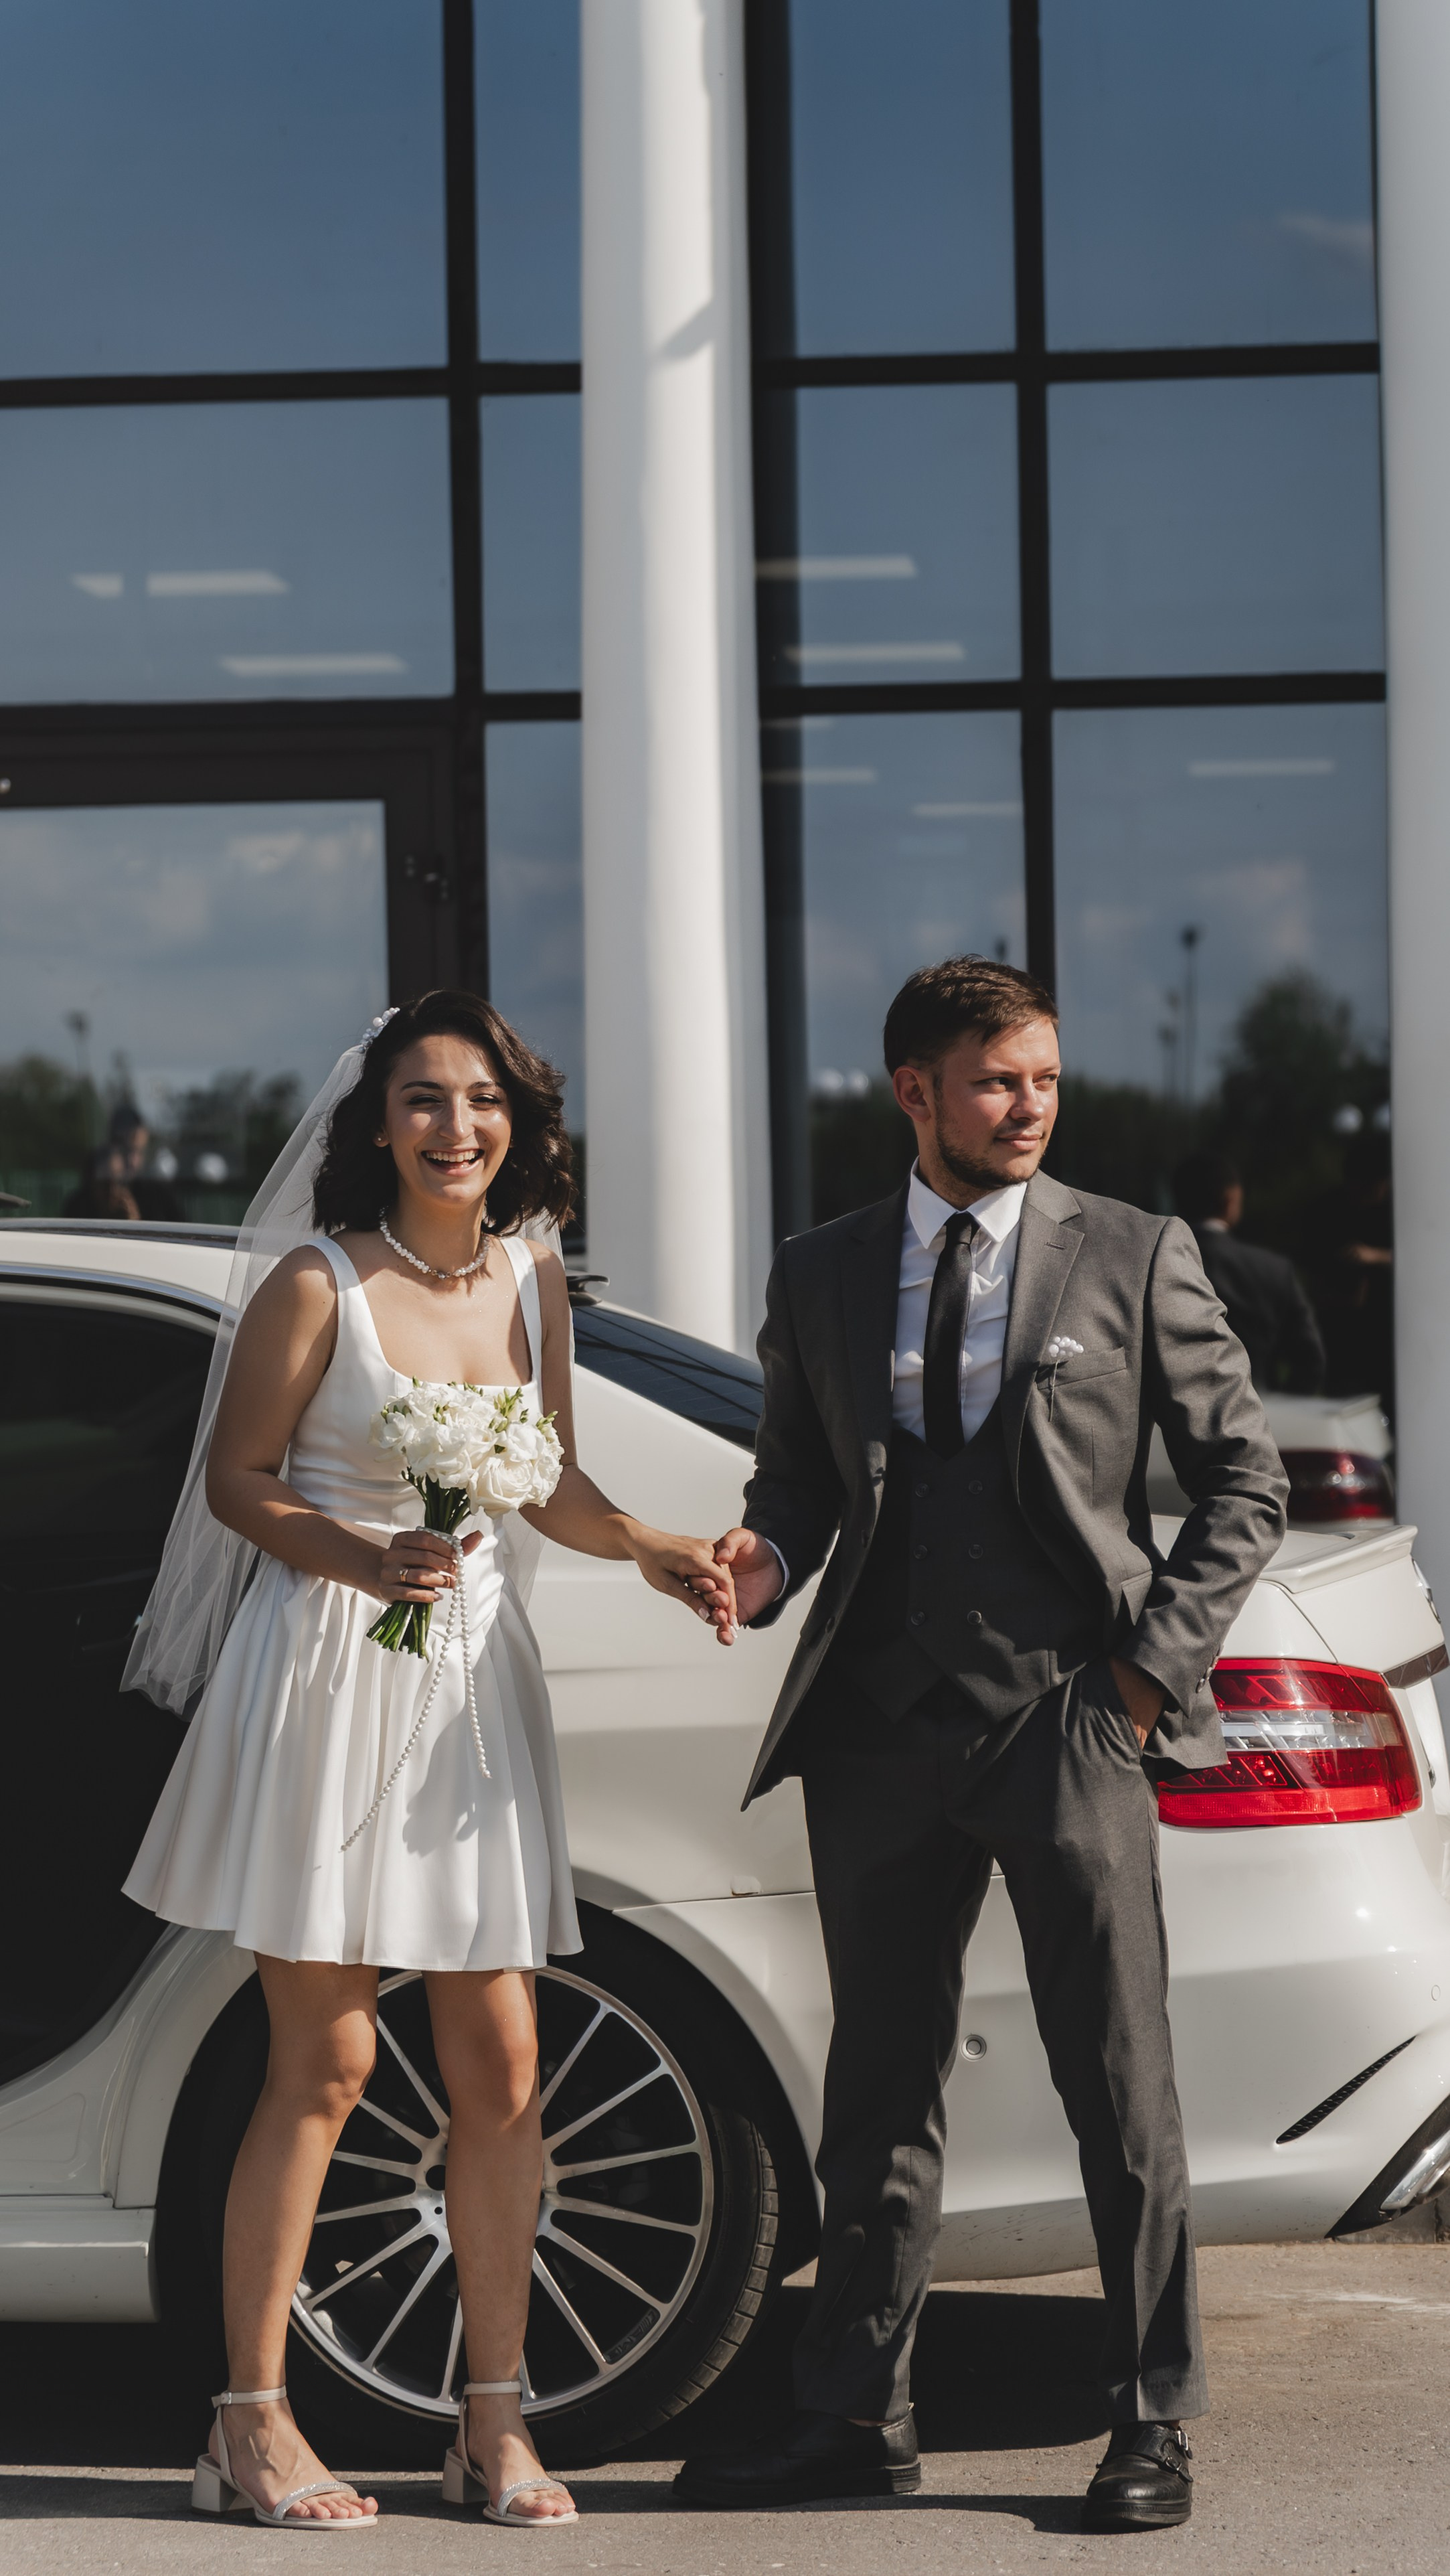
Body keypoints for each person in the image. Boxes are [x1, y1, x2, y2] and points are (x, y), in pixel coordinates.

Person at [677, 956, 1287, 2534]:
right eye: (999, 1081)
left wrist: (1142, 1680)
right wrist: (757, 1561)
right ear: (916, 1093)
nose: (1031, 1108)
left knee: (1119, 2083)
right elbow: (801, 1486)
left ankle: (1149, 2417)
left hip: (1066, 1718)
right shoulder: (820, 1269)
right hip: (876, 1733)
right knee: (877, 2087)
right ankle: (850, 2416)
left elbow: (1247, 1482)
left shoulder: (1133, 1253)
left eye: (1046, 1080)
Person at [123, 991, 738, 2530]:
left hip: (467, 1686)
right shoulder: (318, 1282)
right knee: (325, 2063)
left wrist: (654, 1546)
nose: (455, 1127)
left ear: (515, 1121)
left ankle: (492, 2424)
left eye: (481, 1100)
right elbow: (237, 1479)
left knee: (505, 2067)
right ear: (379, 1123)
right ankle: (249, 2425)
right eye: (423, 1099)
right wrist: (359, 1552)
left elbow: (553, 1483)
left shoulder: (534, 1275)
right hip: (330, 1677)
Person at [1172, 1150, 1325, 1393]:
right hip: (1263, 1404)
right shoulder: (1274, 1269)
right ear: (1230, 1199)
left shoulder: (1160, 1266)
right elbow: (1311, 1360)